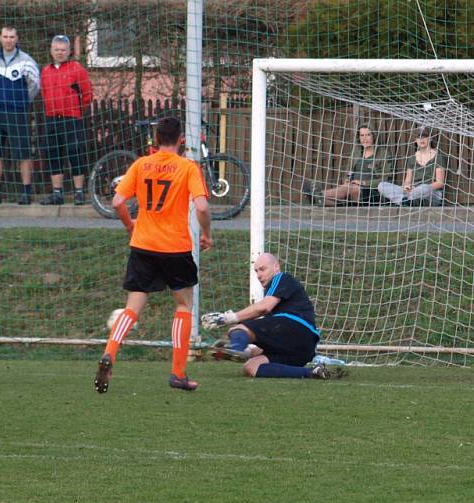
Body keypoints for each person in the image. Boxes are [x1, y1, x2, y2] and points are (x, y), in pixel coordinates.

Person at [94, 117, 213, 394]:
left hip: (143, 245)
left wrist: (129, 225)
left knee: (132, 308)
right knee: (183, 307)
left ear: (156, 139)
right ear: (181, 139)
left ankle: (110, 352)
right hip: (175, 248)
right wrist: (207, 233)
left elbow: (117, 201)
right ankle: (178, 373)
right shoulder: (187, 167)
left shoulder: (140, 164)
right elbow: (203, 207)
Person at [201, 253, 346, 380]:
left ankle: (236, 348)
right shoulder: (274, 294)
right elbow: (270, 337)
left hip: (296, 328)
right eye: (256, 271)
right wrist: (246, 351)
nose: (258, 275)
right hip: (304, 350)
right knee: (251, 367)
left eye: (262, 269)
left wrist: (228, 318)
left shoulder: (281, 278)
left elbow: (264, 308)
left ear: (276, 267)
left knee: (238, 329)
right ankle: (313, 372)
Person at [0, 25, 40, 206]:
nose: (8, 40)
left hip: (17, 112)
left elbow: (35, 85)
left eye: (11, 37)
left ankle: (26, 192)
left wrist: (20, 101)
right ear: (0, 38)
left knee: (23, 154)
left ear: (17, 38)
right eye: (5, 36)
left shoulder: (27, 60)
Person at [38, 34, 93, 206]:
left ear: (69, 51)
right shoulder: (45, 71)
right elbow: (44, 93)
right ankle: (57, 193)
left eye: (63, 50)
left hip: (71, 119)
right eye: (57, 49)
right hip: (52, 119)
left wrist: (74, 109)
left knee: (74, 152)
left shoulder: (77, 69)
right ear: (51, 51)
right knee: (53, 153)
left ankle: (78, 192)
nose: (60, 53)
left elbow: (87, 94)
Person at [319, 125, 394, 206]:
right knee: (327, 201)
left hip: (372, 192)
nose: (365, 138)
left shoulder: (384, 154)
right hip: (352, 188)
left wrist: (363, 183)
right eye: (362, 135)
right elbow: (348, 172)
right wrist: (347, 179)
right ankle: (327, 201)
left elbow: (386, 179)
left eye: (368, 135)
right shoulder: (356, 153)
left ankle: (318, 194)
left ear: (374, 136)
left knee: (350, 188)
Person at [377, 126, 447, 206]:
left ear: (430, 138)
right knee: (382, 186)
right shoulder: (412, 158)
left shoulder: (438, 157)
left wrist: (419, 189)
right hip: (412, 192)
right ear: (415, 140)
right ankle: (404, 201)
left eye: (424, 136)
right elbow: (407, 181)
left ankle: (407, 200)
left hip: (430, 193)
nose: (421, 139)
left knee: (424, 188)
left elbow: (440, 183)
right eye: (419, 137)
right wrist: (407, 187)